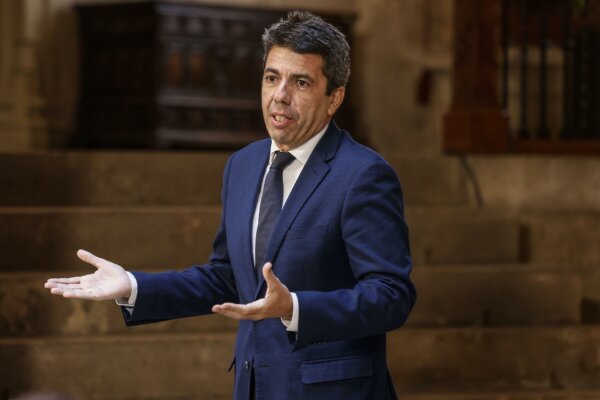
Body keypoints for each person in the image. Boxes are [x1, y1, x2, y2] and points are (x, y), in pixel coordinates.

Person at [45, 10, 416, 400]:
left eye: (301, 82)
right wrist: (134, 285)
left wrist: (294, 307)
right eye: (271, 77)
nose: (280, 95)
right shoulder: (243, 164)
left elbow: (392, 296)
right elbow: (226, 278)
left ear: (333, 98)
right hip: (253, 387)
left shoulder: (363, 175)